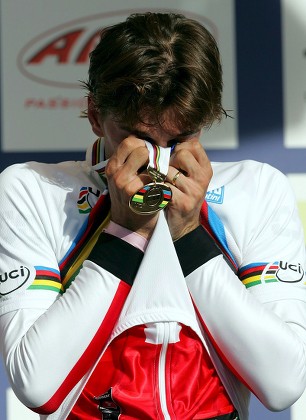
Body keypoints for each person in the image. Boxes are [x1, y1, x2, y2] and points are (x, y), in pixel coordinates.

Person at [0, 11, 305, 420]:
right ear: (95, 115)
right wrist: (125, 231)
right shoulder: (33, 190)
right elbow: (38, 386)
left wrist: (188, 234)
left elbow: (283, 383)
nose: (157, 158)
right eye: (139, 138)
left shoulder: (256, 189)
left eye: (181, 138)